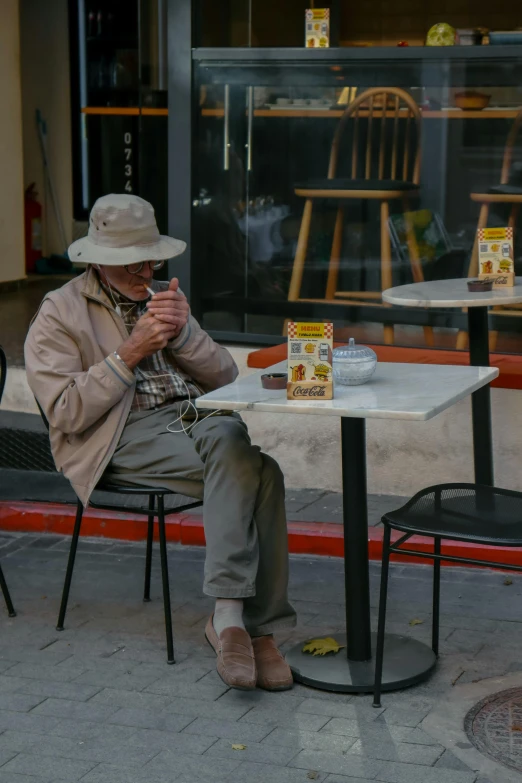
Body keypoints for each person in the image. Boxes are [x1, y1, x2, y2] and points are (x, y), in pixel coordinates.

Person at [25, 194, 296, 691]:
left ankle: (236, 621)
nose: (146, 270)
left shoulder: (160, 297)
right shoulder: (59, 312)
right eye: (134, 262)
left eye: (152, 258)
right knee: (253, 463)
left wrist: (183, 333)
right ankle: (242, 623)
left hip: (190, 421)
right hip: (116, 437)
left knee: (240, 447)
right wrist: (128, 353)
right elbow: (64, 411)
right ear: (102, 260)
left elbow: (225, 375)